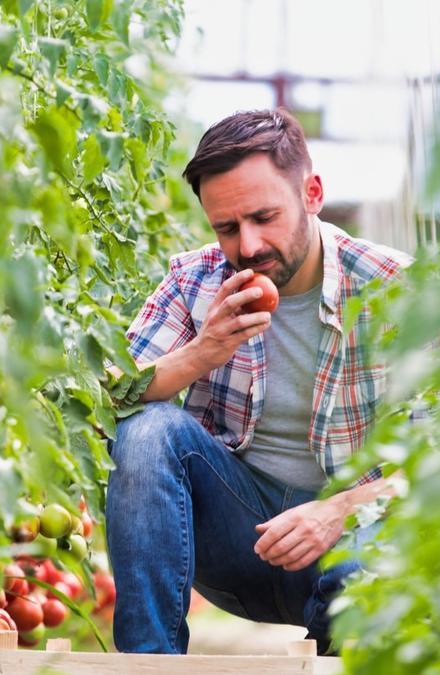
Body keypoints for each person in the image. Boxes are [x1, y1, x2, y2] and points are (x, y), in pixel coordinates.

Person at [106, 108, 409, 655]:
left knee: (371, 563)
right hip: (236, 540)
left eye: (264, 217)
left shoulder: (397, 289)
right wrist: (205, 351)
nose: (247, 247)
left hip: (349, 548)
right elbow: (106, 396)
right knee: (147, 430)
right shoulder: (195, 280)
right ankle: (147, 665)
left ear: (312, 192)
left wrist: (337, 510)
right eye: (227, 227)